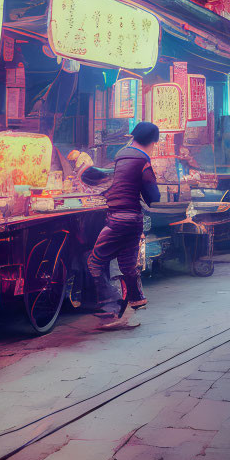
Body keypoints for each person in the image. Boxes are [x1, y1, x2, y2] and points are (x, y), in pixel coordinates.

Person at [84, 122, 161, 329]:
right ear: (153, 142)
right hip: (132, 220)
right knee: (126, 266)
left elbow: (110, 183)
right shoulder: (143, 160)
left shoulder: (120, 155)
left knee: (95, 261)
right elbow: (154, 197)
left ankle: (114, 307)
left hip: (117, 219)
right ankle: (127, 304)